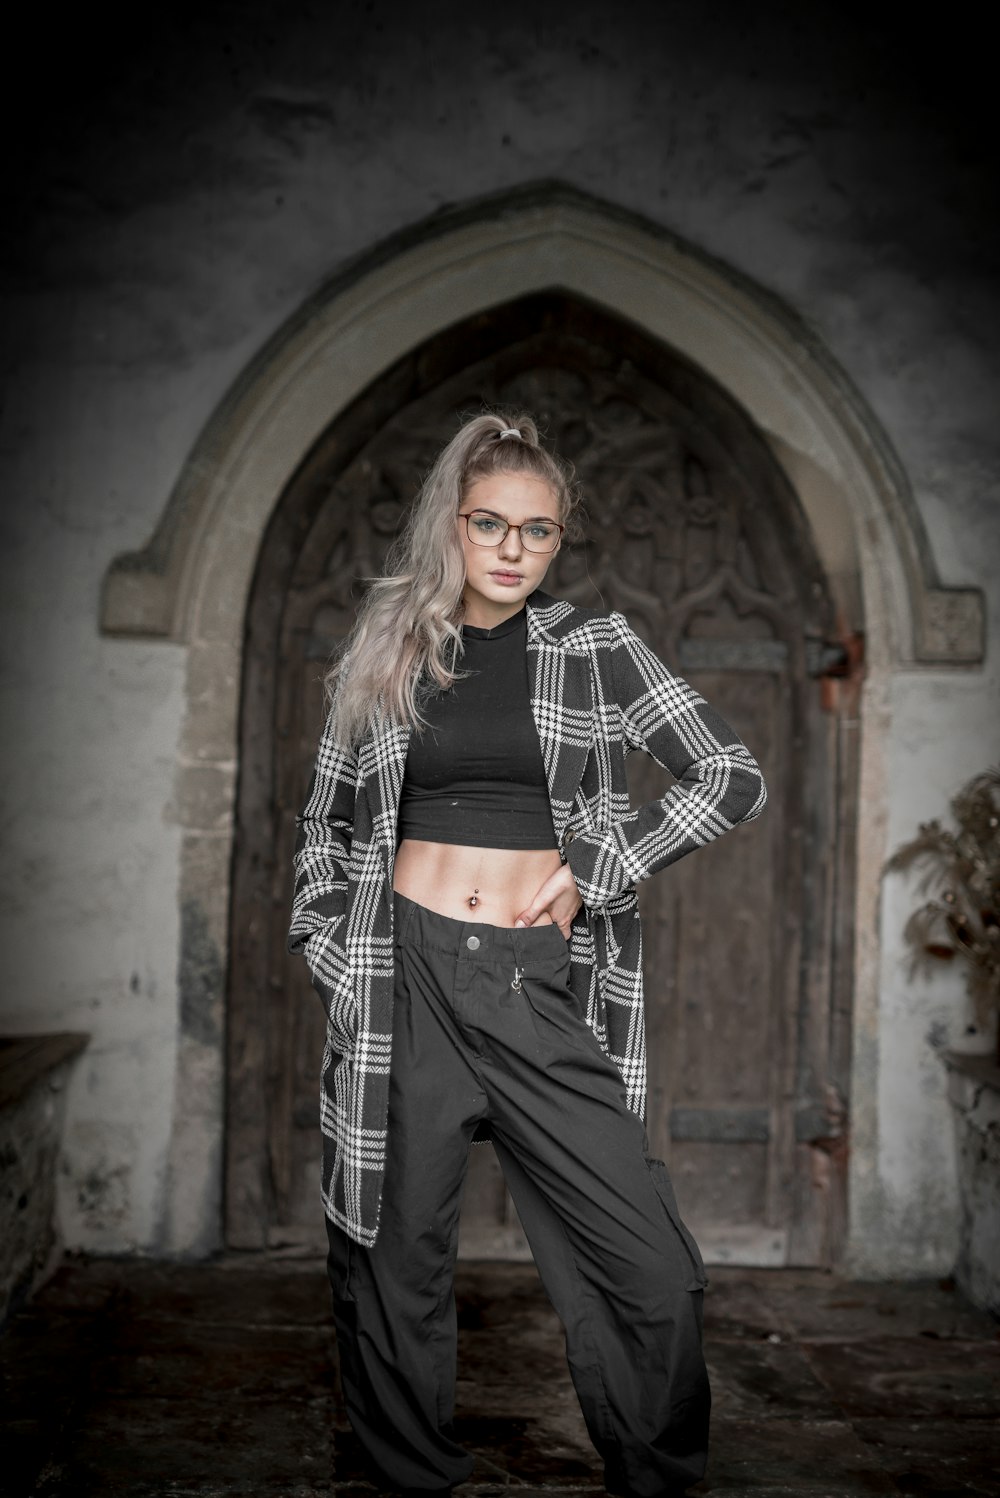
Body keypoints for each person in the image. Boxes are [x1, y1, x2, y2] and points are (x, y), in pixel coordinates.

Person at [287, 411, 768, 1498]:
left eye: (537, 531)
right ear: (449, 526)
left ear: (558, 543)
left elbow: (729, 775)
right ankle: (410, 1476)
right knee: (393, 1256)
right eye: (489, 523)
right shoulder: (389, 648)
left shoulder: (595, 648)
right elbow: (323, 822)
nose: (510, 548)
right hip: (403, 976)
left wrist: (603, 868)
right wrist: (334, 950)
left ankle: (657, 1473)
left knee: (647, 1265)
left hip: (537, 984)